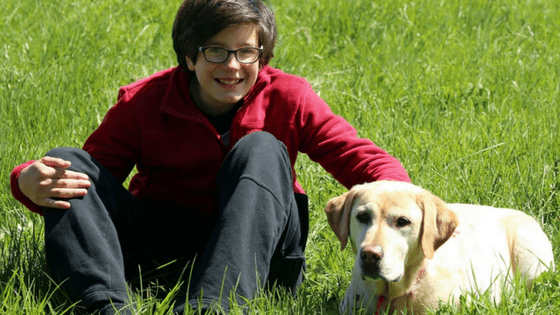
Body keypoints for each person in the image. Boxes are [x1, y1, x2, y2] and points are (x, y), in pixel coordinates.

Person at [10, 0, 411, 314]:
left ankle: (213, 308)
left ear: (262, 54)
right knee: (67, 159)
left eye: (246, 52)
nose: (233, 66)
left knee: (262, 147)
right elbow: (92, 180)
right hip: (160, 250)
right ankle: (105, 306)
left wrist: (409, 201)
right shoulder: (145, 102)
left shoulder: (289, 96)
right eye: (216, 52)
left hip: (258, 256)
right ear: (189, 56)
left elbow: (356, 155)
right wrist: (26, 178)